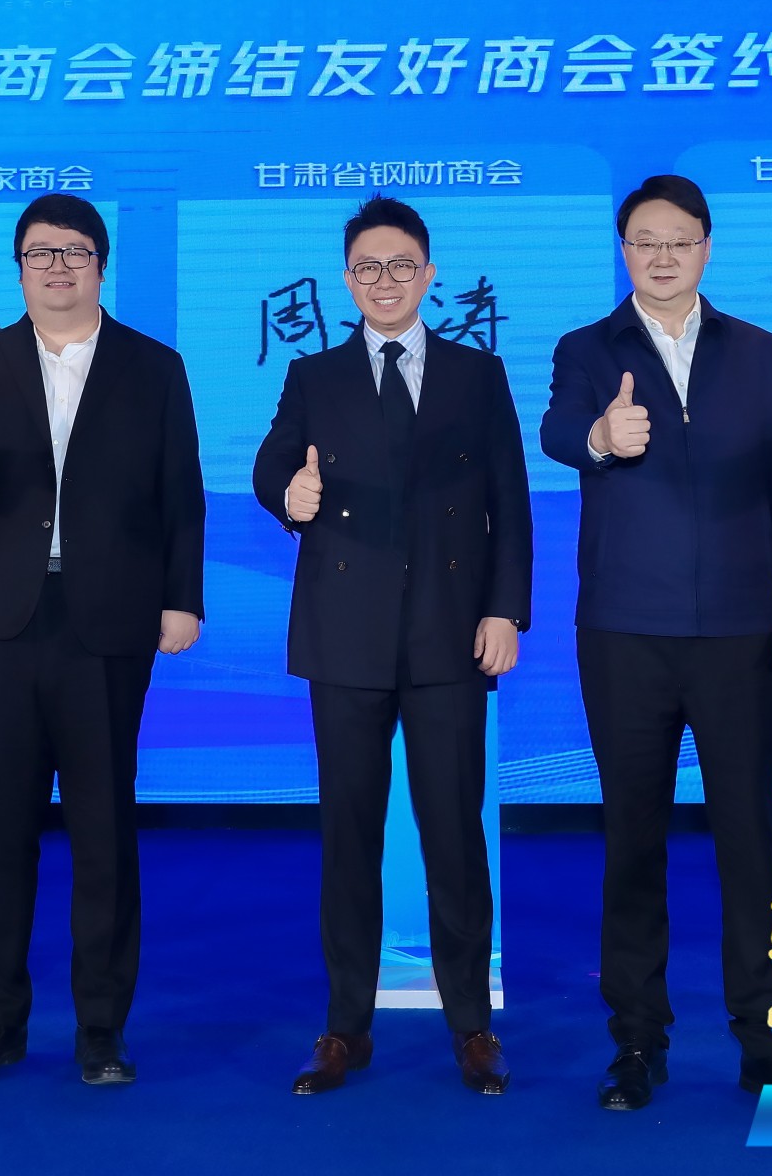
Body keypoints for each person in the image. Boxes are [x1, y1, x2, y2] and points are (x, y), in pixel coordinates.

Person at [0, 193, 205, 1090]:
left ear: (101, 266)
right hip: (2, 621)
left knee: (103, 828)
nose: (58, 266)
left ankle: (101, 1028)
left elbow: (181, 493)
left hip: (109, 619)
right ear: (20, 268)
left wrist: (182, 601)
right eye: (41, 253)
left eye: (75, 251)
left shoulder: (153, 367)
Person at [539, 174, 772, 1111]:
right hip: (626, 631)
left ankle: (766, 1036)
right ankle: (636, 1041)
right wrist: (600, 435)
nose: (662, 256)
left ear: (706, 247)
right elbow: (556, 431)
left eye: (680, 240)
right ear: (623, 250)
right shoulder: (588, 349)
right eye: (644, 241)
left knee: (751, 841)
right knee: (633, 837)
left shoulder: (759, 351)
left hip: (743, 632)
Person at [251, 195, 530, 1098]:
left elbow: (511, 502)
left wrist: (505, 611)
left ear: (429, 274)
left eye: (401, 265)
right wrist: (286, 497)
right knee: (349, 837)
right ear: (347, 279)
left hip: (450, 633)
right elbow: (273, 464)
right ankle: (344, 1029)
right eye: (368, 267)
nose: (385, 281)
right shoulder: (314, 375)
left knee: (455, 835)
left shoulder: (477, 373)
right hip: (346, 637)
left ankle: (472, 1026)